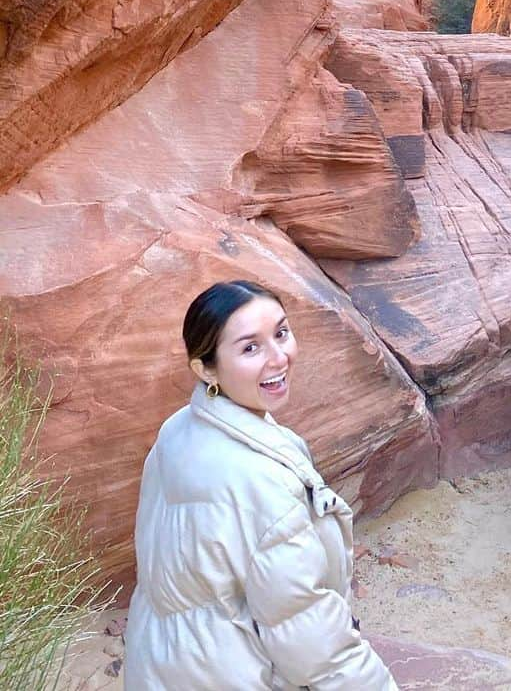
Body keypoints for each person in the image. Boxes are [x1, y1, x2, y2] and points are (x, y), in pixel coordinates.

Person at [126, 279, 397, 691]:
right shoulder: (261, 482)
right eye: (250, 347)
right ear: (205, 368)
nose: (279, 357)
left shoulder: (178, 429)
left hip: (164, 665)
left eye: (281, 333)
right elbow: (307, 635)